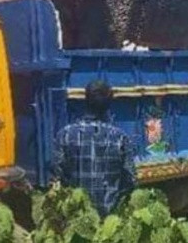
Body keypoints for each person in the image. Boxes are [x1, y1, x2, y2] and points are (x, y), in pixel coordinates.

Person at [53, 80, 136, 217]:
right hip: (110, 220)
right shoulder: (120, 138)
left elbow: (58, 173)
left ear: (85, 100)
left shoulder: (65, 135)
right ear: (110, 103)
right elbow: (130, 180)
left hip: (77, 219)